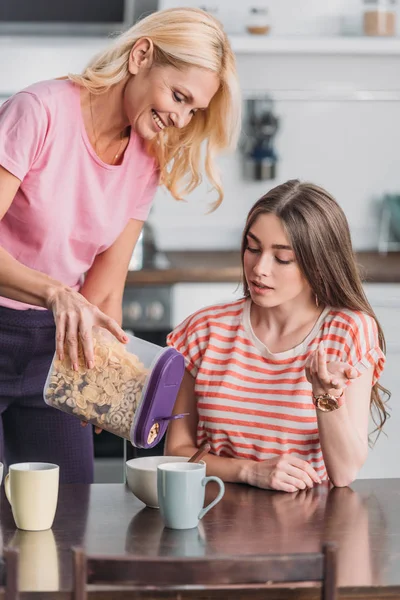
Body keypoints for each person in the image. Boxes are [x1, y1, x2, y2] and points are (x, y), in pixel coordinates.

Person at [0, 7, 241, 483]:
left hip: (56, 348)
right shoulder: (38, 111)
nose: (181, 117)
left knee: (68, 518)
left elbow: (105, 290)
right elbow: (67, 294)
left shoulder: (147, 157)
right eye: (178, 95)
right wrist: (54, 292)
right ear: (142, 55)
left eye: (193, 109)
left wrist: (103, 380)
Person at [165, 179, 390, 492]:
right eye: (253, 248)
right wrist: (249, 471)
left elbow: (344, 473)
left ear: (319, 264)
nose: (259, 269)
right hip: (213, 516)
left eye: (282, 258)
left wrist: (325, 395)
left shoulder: (348, 331)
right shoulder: (205, 330)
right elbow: (176, 453)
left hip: (309, 526)